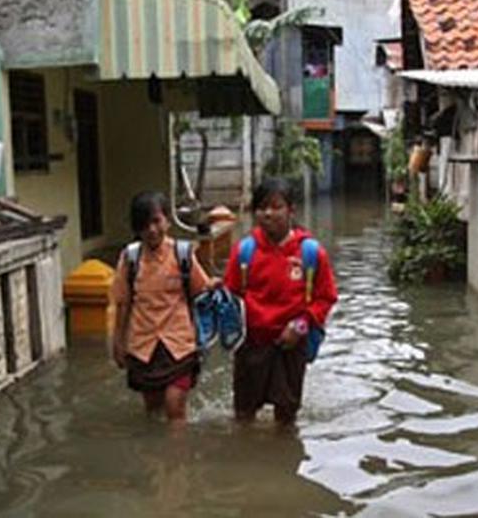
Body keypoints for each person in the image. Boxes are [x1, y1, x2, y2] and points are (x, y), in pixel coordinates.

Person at [223, 177, 337, 426]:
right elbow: (231, 296)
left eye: (276, 207)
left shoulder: (311, 253)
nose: (268, 214)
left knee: (286, 418)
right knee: (243, 416)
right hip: (251, 345)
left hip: (291, 346)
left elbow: (325, 297)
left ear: (291, 210)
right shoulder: (244, 251)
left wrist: (300, 326)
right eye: (262, 208)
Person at [111, 191, 220, 424]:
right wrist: (118, 343)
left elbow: (200, 291)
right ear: (136, 228)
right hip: (143, 345)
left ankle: (177, 458)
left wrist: (216, 285)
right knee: (152, 409)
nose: (151, 230)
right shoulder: (130, 258)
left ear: (167, 221)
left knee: (174, 404)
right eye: (144, 224)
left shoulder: (182, 254)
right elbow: (123, 304)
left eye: (156, 221)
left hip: (179, 344)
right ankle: (156, 458)